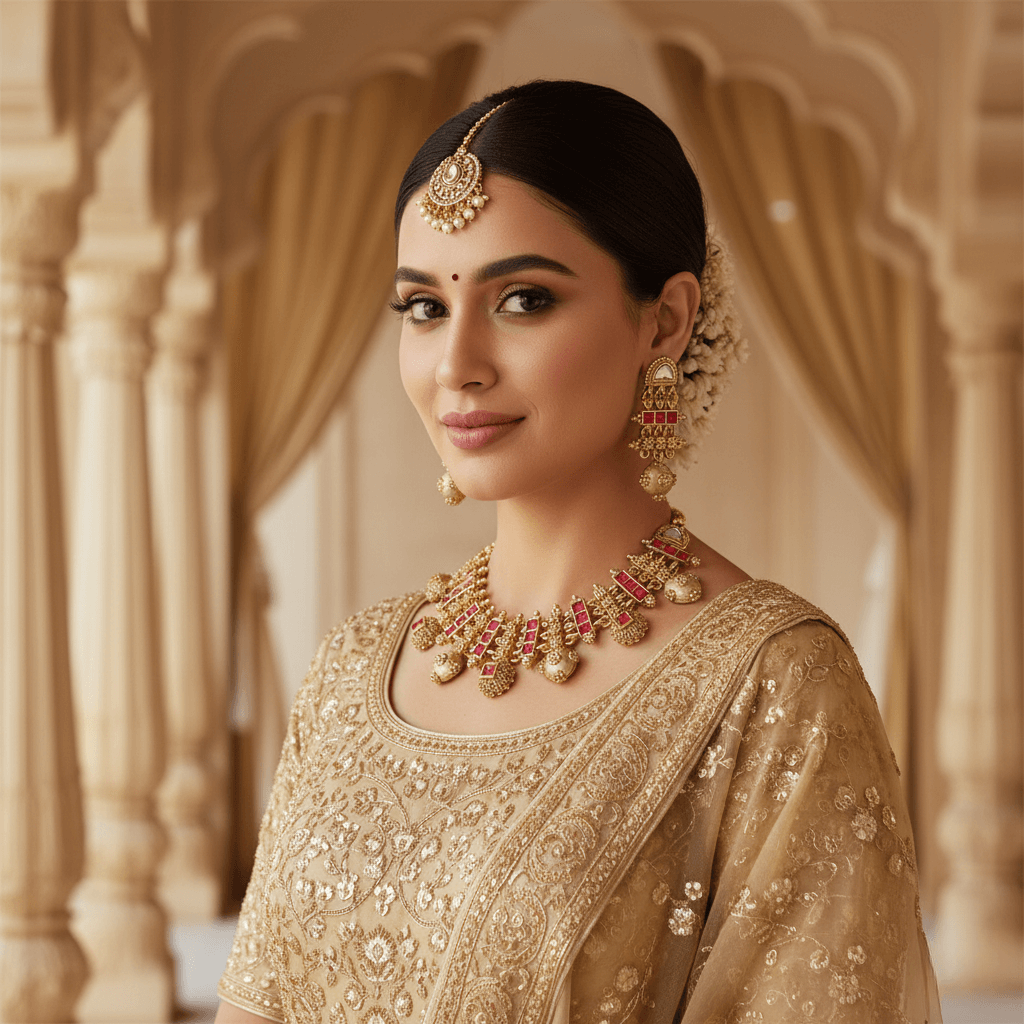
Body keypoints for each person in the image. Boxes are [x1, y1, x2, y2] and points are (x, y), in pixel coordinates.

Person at [215, 80, 941, 1024]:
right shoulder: (352, 672)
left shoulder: (776, 687)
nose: (456, 363)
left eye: (523, 299)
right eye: (424, 306)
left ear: (664, 321)